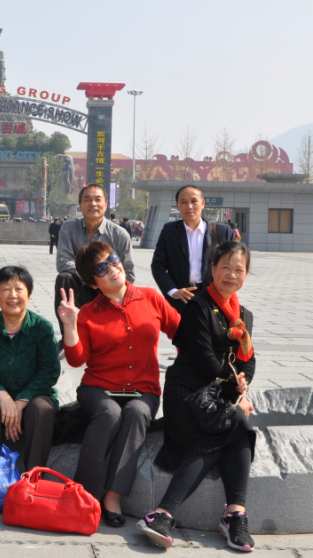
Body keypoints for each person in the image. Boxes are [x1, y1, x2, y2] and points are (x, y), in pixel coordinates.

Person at [138, 241, 256, 552]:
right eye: (225, 267)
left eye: (239, 269)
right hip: (187, 391)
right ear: (212, 270)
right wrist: (235, 393)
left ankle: (174, 515)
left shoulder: (244, 315)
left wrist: (242, 386)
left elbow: (248, 359)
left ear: (246, 274)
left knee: (233, 425)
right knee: (232, 427)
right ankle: (229, 516)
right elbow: (205, 360)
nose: (231, 275)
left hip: (217, 395)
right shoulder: (198, 306)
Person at [58, 241, 180, 527]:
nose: (112, 268)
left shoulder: (150, 298)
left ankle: (113, 496)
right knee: (110, 414)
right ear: (93, 282)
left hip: (143, 390)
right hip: (98, 388)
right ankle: (85, 494)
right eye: (101, 268)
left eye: (113, 260)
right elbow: (76, 360)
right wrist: (70, 325)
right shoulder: (88, 312)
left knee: (137, 413)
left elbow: (182, 332)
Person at [0, 266, 61, 472]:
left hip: (34, 397)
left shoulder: (42, 328)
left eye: (19, 289)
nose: (13, 295)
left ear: (29, 294)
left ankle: (34, 478)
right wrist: (2, 395)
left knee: (42, 408)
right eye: (5, 289)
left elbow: (49, 371)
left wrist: (21, 400)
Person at [55, 184, 135, 332]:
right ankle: (68, 336)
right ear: (80, 205)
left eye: (98, 199)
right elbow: (63, 262)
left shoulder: (120, 234)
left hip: (109, 292)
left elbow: (129, 274)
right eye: (87, 199)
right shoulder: (68, 228)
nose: (93, 204)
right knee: (64, 278)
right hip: (82, 288)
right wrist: (92, 277)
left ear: (105, 205)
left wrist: (105, 281)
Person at [151, 185, 234, 315]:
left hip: (213, 296)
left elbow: (232, 265)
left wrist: (224, 291)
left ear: (202, 203)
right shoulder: (169, 231)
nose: (189, 206)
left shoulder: (222, 232)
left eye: (194, 201)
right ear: (177, 205)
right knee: (181, 328)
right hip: (181, 297)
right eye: (184, 202)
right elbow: (158, 265)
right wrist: (172, 291)